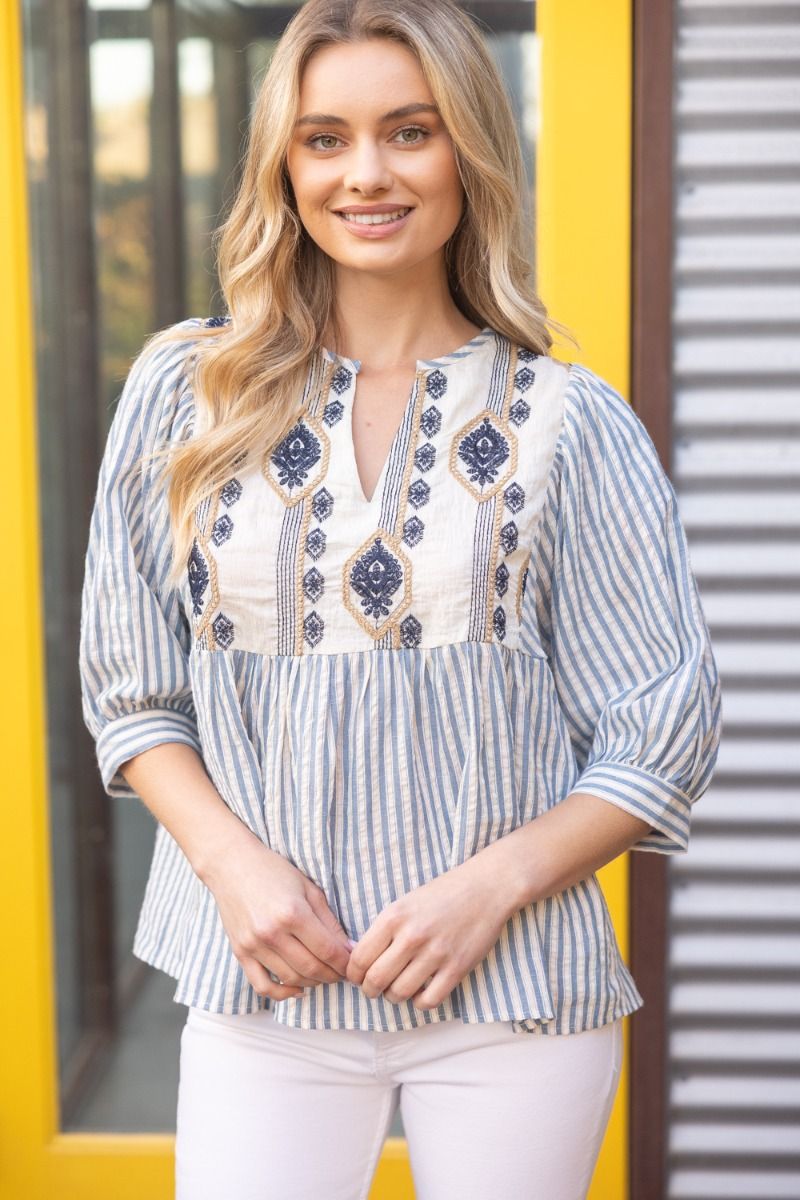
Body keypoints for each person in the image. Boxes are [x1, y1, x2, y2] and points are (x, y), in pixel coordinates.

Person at [78, 1, 723, 1196]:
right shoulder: (187, 390)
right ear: (283, 162)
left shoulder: (570, 423)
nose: (364, 173)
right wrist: (232, 867)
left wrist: (489, 891)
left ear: (467, 152)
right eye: (324, 138)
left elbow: (659, 732)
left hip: (514, 997)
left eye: (406, 131)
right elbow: (132, 693)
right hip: (261, 983)